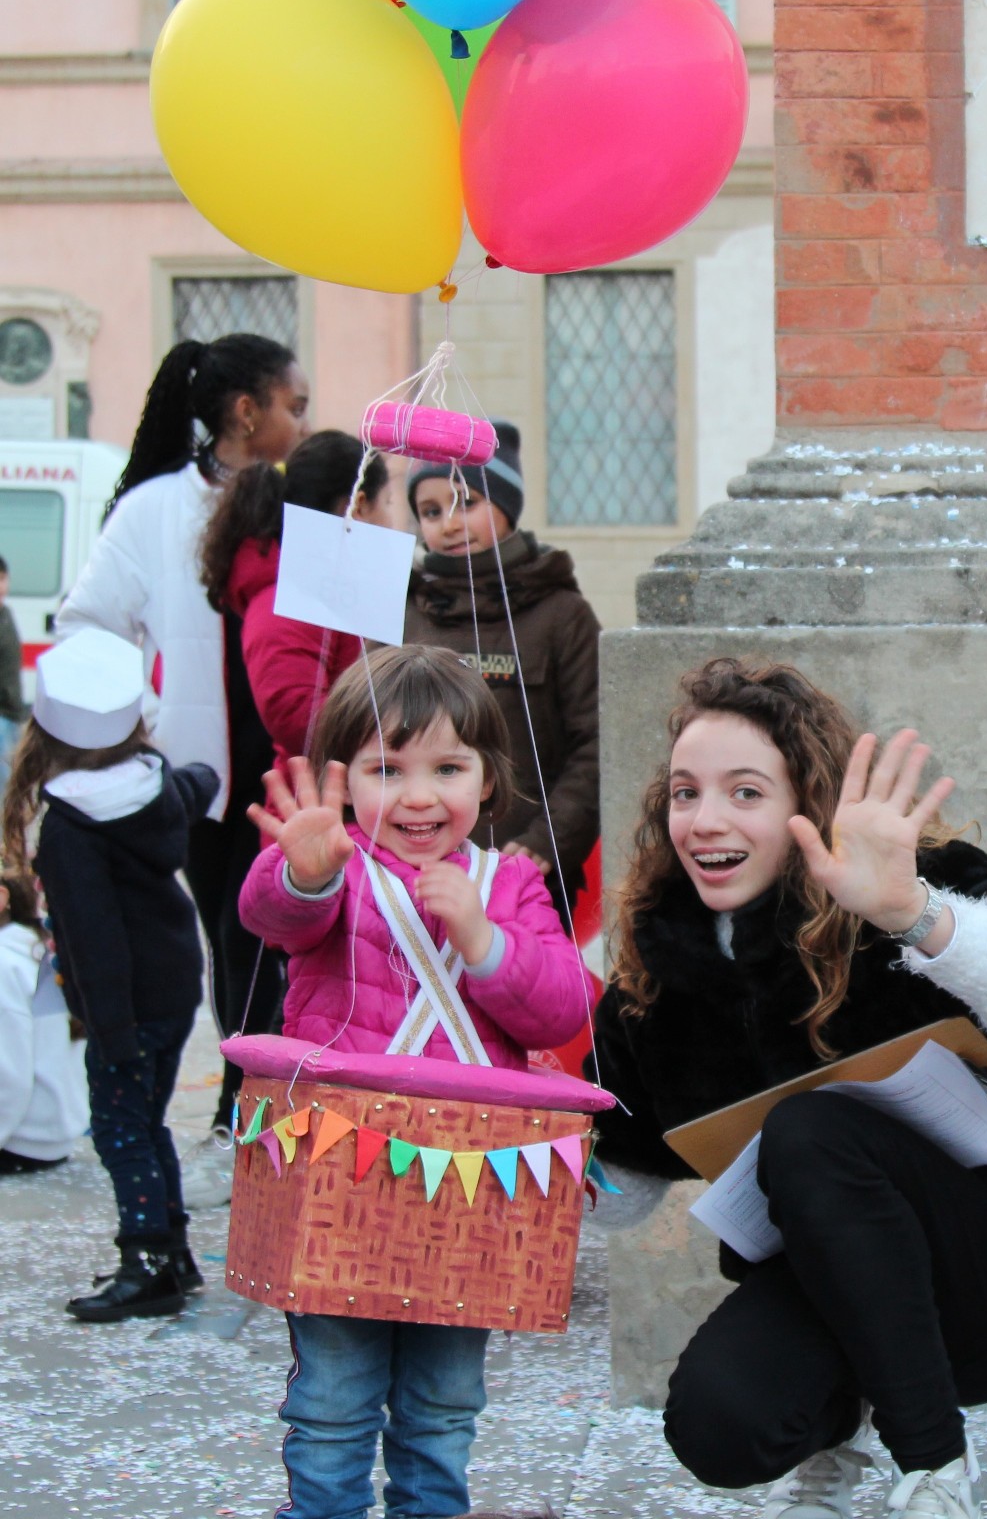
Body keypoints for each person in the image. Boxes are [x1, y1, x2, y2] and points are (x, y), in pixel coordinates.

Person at [590, 657, 987, 1519]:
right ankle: (843, 1435)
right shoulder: (653, 971)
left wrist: (912, 913)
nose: (703, 820)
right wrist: (522, 1161)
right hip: (834, 1281)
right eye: (685, 792)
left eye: (743, 792)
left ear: (807, 803)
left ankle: (934, 1474)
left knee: (813, 1129)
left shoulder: (917, 886)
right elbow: (625, 1181)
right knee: (717, 1426)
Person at [237, 643, 589, 1519]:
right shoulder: (333, 862)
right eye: (386, 768)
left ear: (487, 779)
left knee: (443, 1403)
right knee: (329, 1396)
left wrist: (485, 942)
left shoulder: (507, 882)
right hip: (339, 1170)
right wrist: (305, 873)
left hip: (467, 1186)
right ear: (342, 778)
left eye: (448, 767)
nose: (420, 795)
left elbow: (560, 1008)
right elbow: (271, 914)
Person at [56, 332, 311, 1151]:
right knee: (230, 936)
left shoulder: (300, 499)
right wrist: (141, 724)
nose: (303, 424)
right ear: (247, 411)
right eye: (292, 407)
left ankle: (259, 1092)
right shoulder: (155, 508)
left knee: (278, 936)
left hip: (294, 761)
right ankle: (244, 1095)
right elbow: (88, 622)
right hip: (202, 768)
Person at [2, 628, 219, 1319]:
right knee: (148, 1122)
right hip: (175, 981)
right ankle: (175, 1257)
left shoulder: (70, 827)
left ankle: (147, 1262)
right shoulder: (152, 783)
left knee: (119, 1129)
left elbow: (94, 943)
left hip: (126, 1002)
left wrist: (111, 1032)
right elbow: (199, 780)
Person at [403, 422, 600, 919]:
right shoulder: (401, 614)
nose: (447, 525)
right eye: (430, 512)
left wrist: (546, 843)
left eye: (465, 503)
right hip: (413, 873)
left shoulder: (562, 614)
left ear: (507, 507)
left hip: (526, 875)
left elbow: (598, 742)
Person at [201, 432, 394, 796]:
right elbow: (298, 722)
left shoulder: (324, 589)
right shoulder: (287, 600)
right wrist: (404, 730)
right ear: (359, 506)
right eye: (389, 501)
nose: (393, 519)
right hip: (316, 816)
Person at [0, 872, 86, 1176]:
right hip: (49, 1133)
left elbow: (9, 1075)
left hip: (20, 1140)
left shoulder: (3, 964)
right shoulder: (32, 947)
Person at [0, 557, 27, 788]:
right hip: (2, 714)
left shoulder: (6, 614)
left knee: (12, 784)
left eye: (2, 579)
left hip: (11, 713)